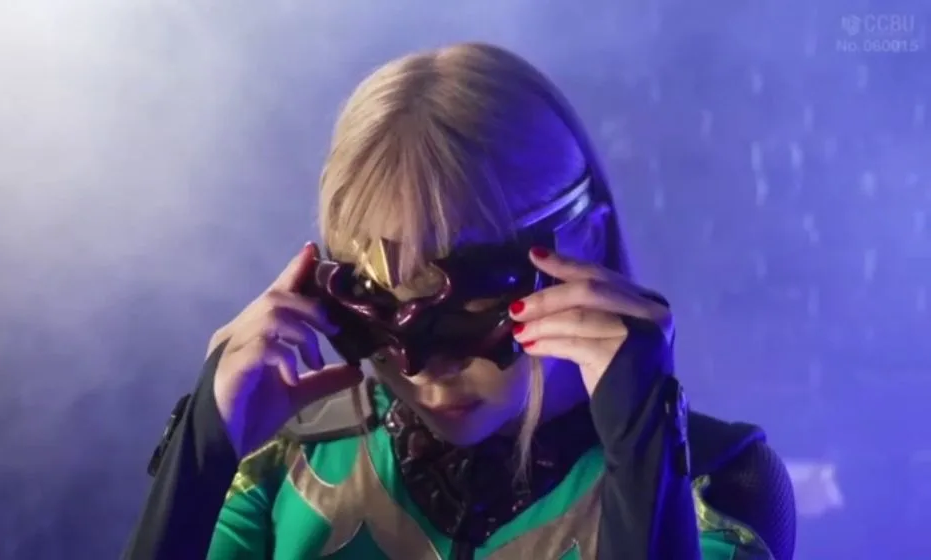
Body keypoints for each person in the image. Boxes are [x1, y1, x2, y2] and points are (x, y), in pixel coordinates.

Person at [123, 42, 796, 560]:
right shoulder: (282, 466)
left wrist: (646, 451)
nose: (423, 368)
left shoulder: (716, 488)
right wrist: (200, 452)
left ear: (584, 241)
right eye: (378, 301)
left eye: (468, 302)